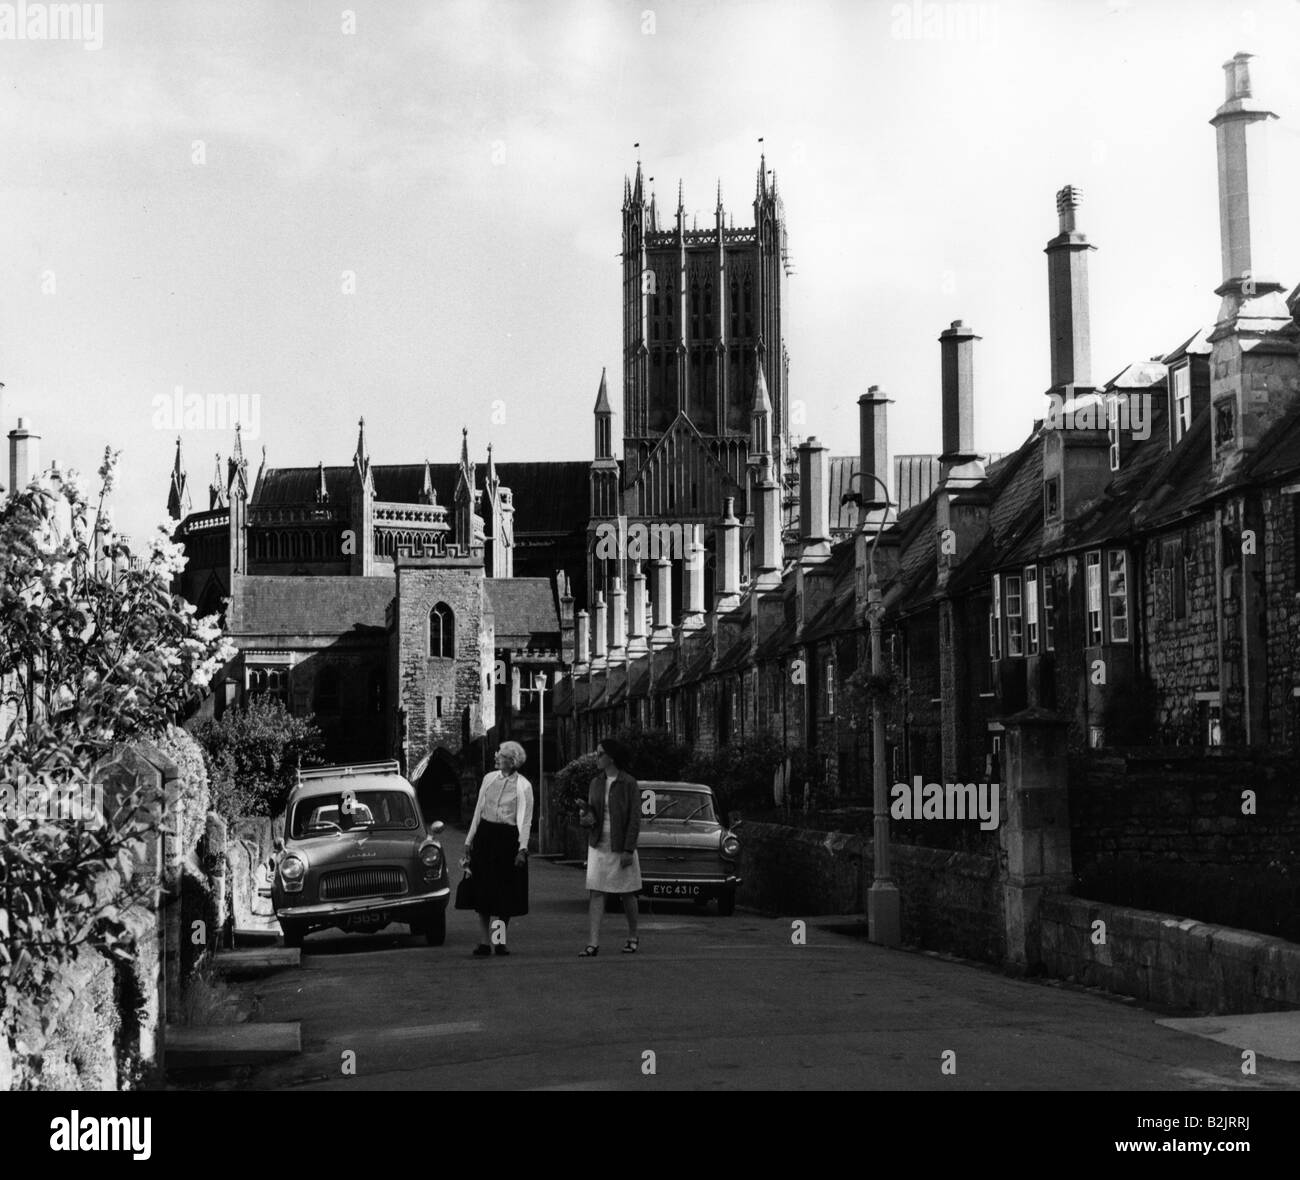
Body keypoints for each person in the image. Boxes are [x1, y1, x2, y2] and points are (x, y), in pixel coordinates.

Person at [463, 741, 533, 957]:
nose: (496, 757)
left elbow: (526, 820)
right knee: (483, 891)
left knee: (504, 895)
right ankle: (485, 942)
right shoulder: (488, 778)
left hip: (507, 839)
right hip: (485, 836)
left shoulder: (524, 785)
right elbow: (478, 810)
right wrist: (468, 840)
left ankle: (499, 941)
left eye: (501, 755)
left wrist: (522, 848)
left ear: (511, 761)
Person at [578, 738, 641, 956]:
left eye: (600, 754)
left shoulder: (629, 783)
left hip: (621, 844)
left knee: (627, 893)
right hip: (598, 844)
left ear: (611, 758)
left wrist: (628, 849)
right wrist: (585, 815)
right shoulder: (595, 782)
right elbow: (593, 815)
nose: (596, 758)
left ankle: (633, 935)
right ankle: (593, 942)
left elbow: (635, 818)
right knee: (596, 891)